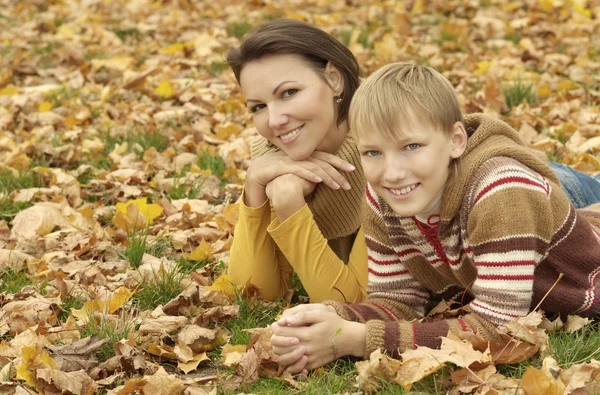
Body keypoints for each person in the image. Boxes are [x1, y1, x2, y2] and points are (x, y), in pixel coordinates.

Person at [270, 62, 600, 374]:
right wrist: (328, 318)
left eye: (411, 146)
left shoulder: (501, 192)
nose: (392, 172)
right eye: (373, 152)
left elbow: (500, 330)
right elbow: (397, 302)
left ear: (456, 140)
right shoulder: (383, 199)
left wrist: (356, 339)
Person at [225, 19, 368, 303]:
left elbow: (352, 306)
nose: (275, 120)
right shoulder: (273, 161)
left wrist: (288, 201)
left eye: (289, 93)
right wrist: (255, 185)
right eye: (259, 107)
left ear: (334, 79)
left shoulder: (386, 153)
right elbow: (253, 294)